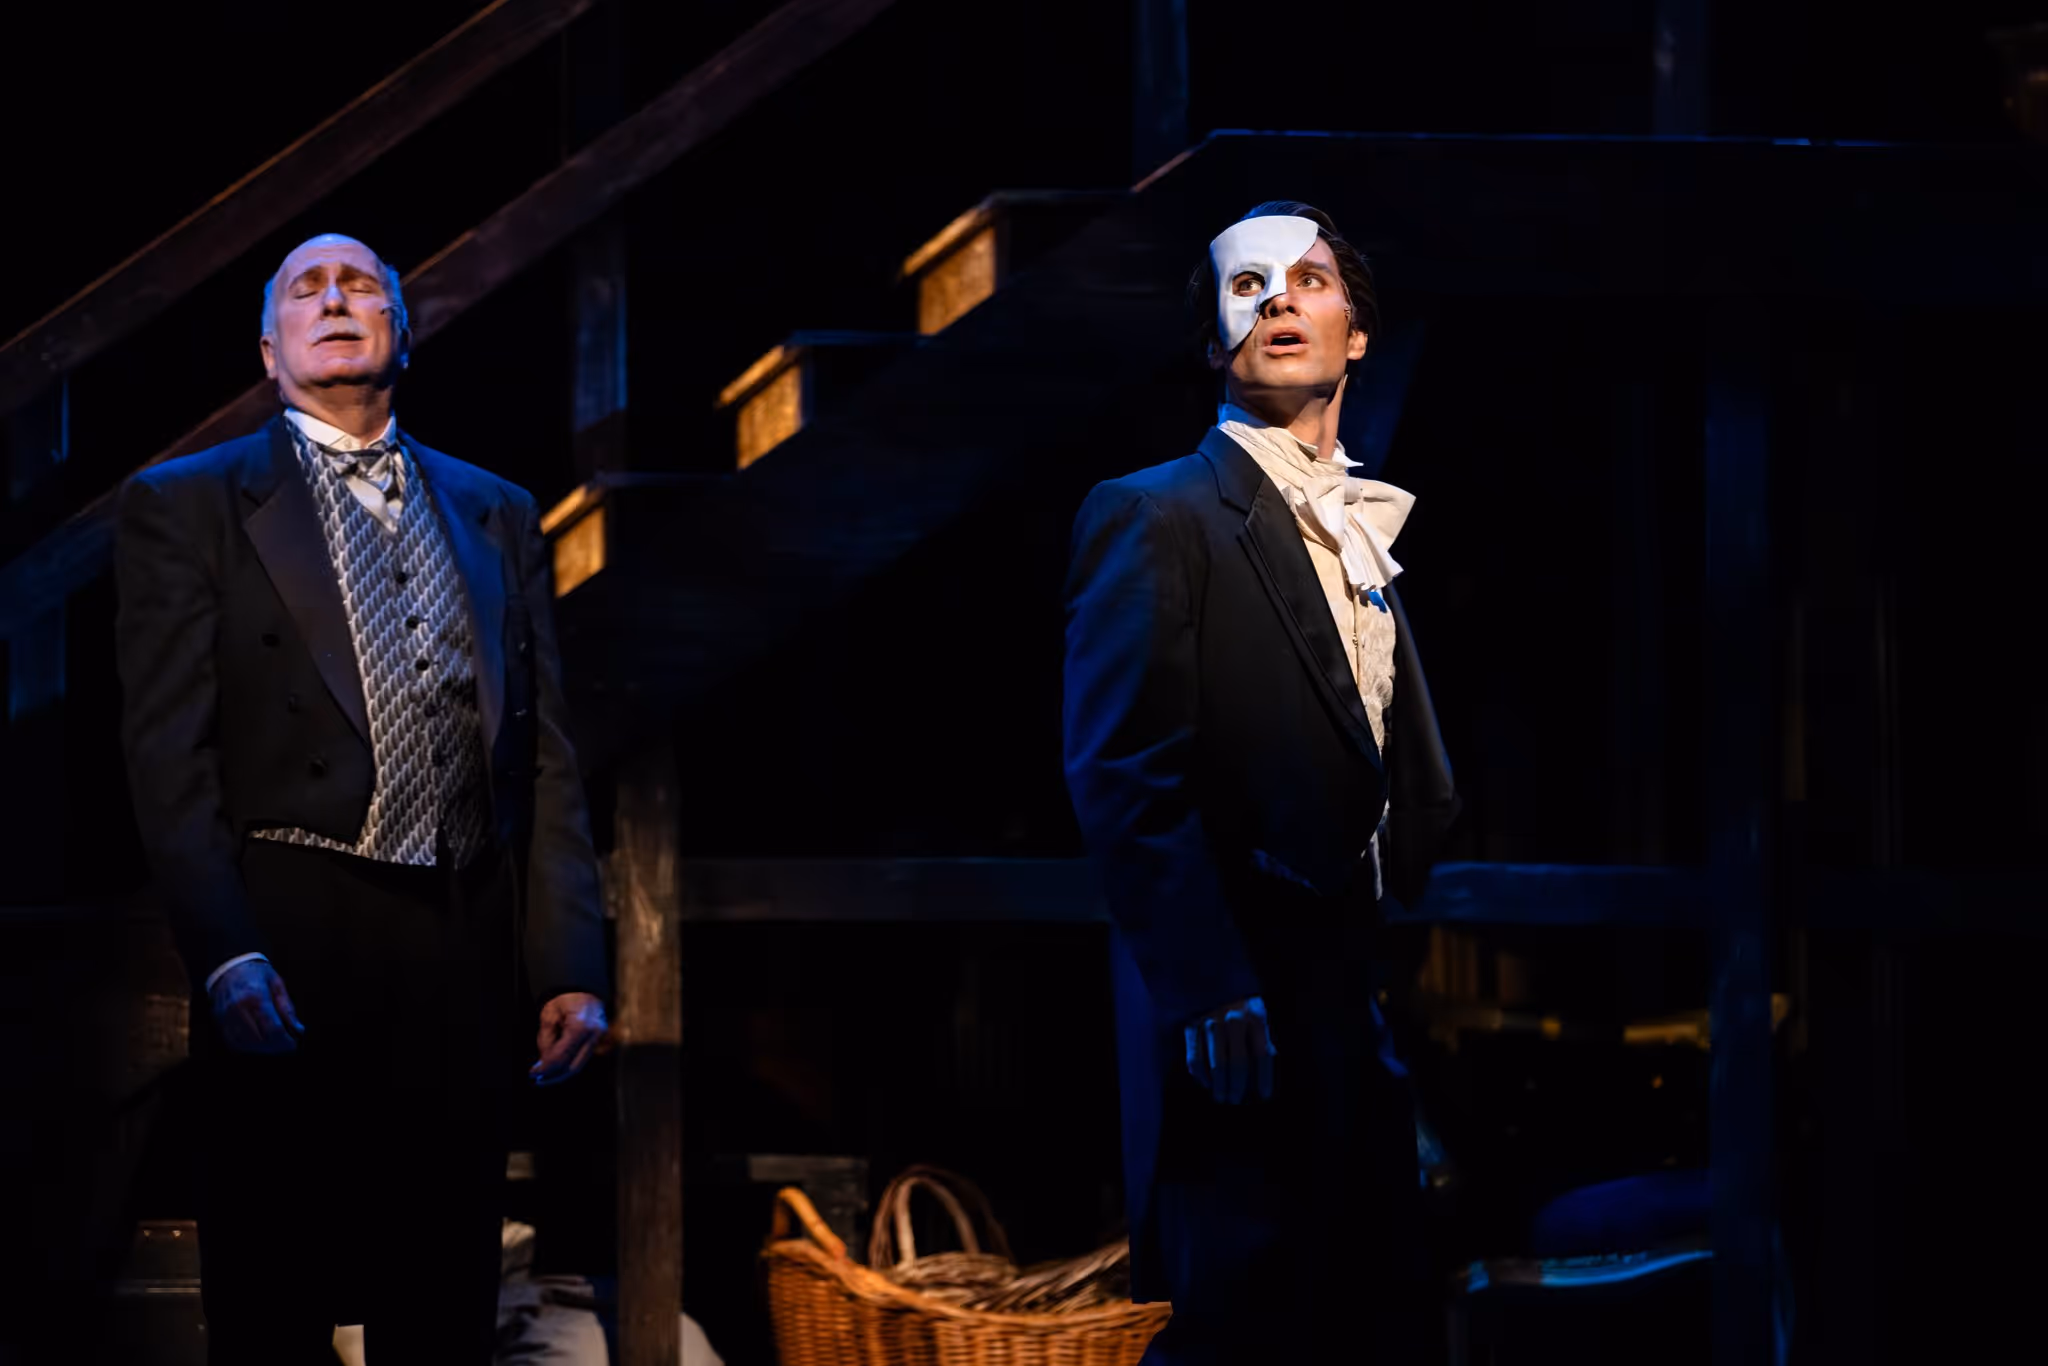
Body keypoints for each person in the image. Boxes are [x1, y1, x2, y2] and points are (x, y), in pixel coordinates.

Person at [115, 234, 611, 1364]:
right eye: (307, 287)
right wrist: (224, 949)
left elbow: (546, 753)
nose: (335, 298)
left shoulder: (494, 507)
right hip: (290, 925)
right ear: (269, 346)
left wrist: (570, 958)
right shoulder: (189, 504)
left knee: (439, 1280)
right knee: (275, 1276)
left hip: (462, 930)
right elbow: (167, 755)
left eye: (361, 284)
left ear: (403, 326)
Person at [1063, 201, 1459, 1362]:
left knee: (1365, 1306)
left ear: (1358, 332)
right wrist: (1204, 981)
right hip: (1234, 994)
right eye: (1247, 284)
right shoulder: (1154, 513)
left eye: (1310, 278)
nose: (1279, 296)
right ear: (1210, 341)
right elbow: (1121, 764)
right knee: (1241, 1312)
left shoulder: (1356, 532)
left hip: (1351, 983)